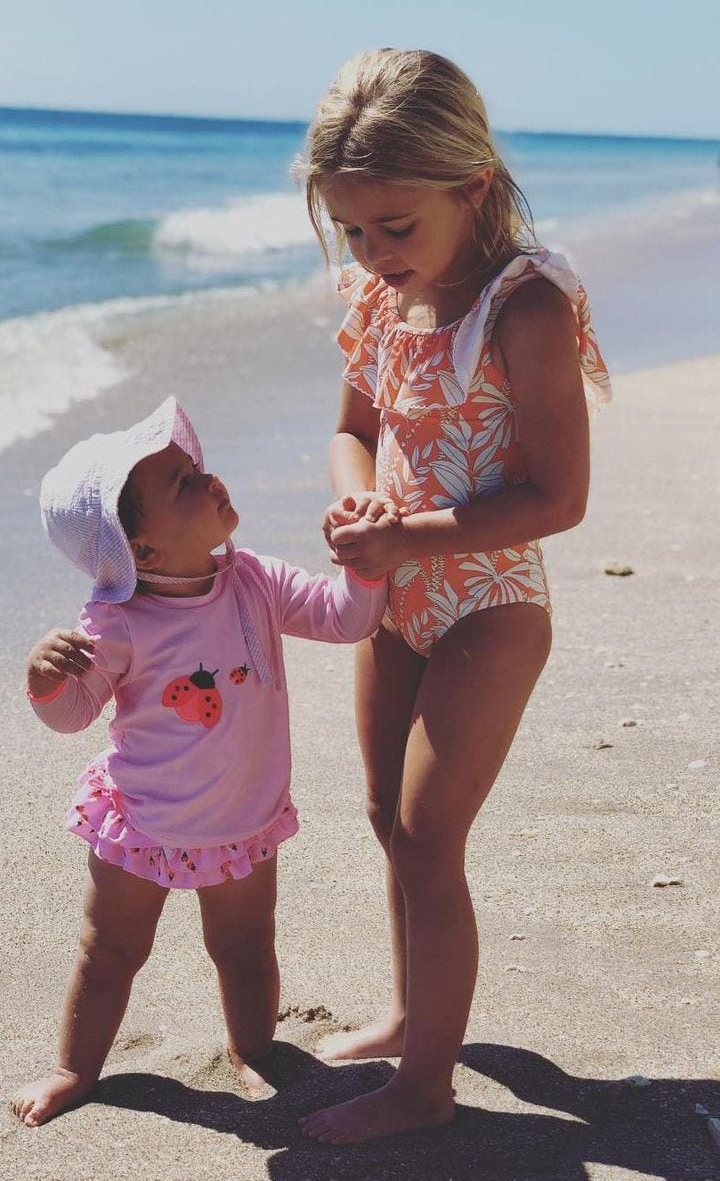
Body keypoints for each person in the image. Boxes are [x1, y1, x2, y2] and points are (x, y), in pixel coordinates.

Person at [296, 48, 611, 1144]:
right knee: (388, 818)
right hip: (395, 595)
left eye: (396, 227)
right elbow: (353, 432)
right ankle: (412, 1015)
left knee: (432, 837)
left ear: (471, 188)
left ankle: (426, 1091)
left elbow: (558, 495)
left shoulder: (523, 307)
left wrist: (412, 537)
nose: (376, 254)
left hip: (489, 604)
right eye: (356, 232)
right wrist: (356, 514)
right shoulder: (380, 303)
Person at [11, 395, 386, 1128]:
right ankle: (73, 1068)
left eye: (196, 468)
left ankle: (253, 1050)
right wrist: (43, 679)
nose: (208, 481)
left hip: (243, 817)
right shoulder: (117, 620)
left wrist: (363, 568)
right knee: (112, 948)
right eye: (183, 484)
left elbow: (344, 619)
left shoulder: (256, 581)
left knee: (246, 944)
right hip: (142, 820)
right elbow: (73, 714)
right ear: (139, 552)